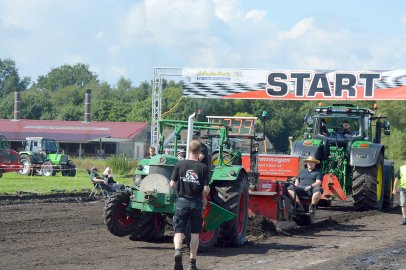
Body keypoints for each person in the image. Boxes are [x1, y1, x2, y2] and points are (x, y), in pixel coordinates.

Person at [170, 140, 210, 270]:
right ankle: (192, 264)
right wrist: (203, 197)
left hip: (181, 201)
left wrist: (179, 191)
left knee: (178, 231)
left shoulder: (180, 164)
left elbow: (172, 184)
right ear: (199, 152)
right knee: (194, 234)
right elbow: (206, 188)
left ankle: (177, 250)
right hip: (196, 203)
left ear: (189, 150)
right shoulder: (203, 167)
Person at [392, 157, 406, 225]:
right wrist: (394, 188)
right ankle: (404, 219)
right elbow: (397, 179)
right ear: (404, 161)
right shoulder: (401, 168)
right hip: (403, 189)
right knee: (403, 204)